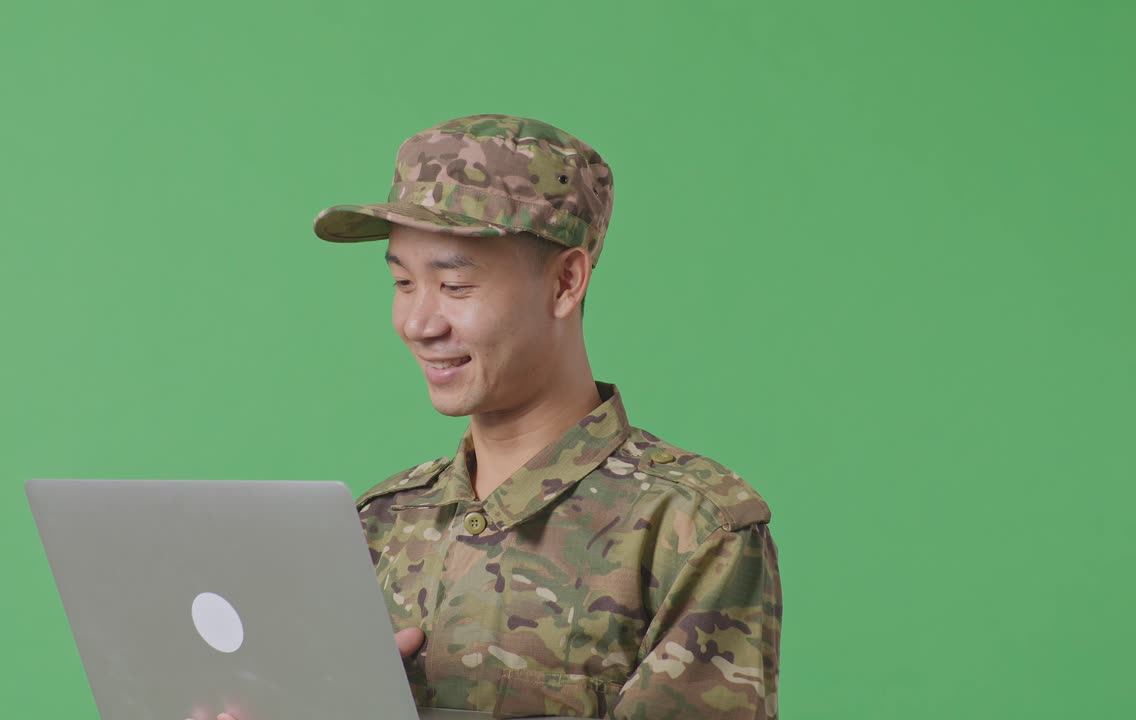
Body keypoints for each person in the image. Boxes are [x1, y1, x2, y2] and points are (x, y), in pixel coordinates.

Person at [219, 114, 782, 720]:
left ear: (567, 281)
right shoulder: (380, 527)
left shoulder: (690, 531)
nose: (419, 323)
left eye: (455, 285)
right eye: (403, 282)